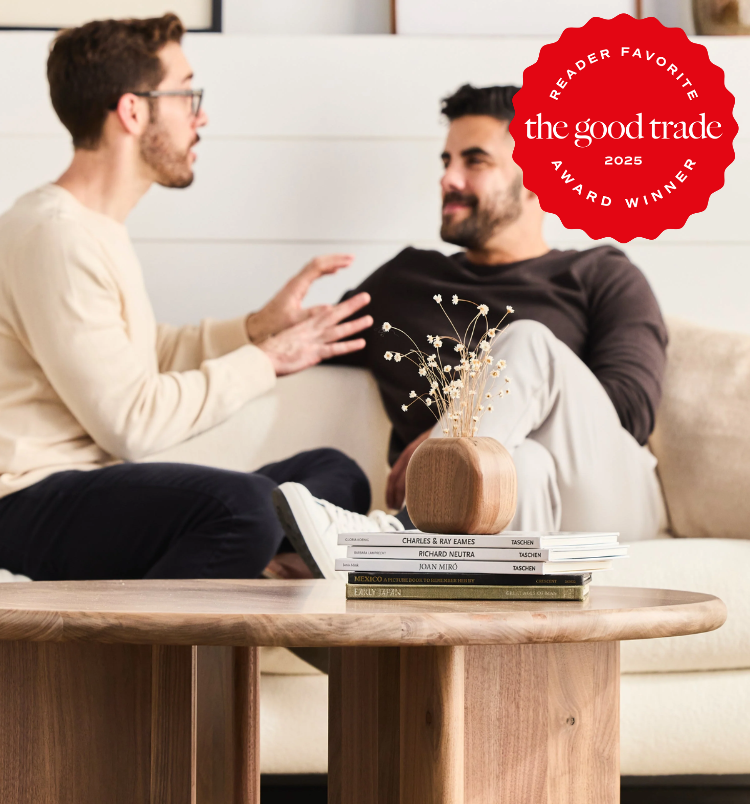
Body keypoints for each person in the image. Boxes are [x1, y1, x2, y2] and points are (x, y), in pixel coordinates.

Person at [0, 13, 403, 582]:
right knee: (245, 509)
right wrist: (267, 361)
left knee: (335, 476)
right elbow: (131, 424)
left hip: (83, 491)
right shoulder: (54, 234)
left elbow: (142, 354)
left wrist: (258, 327)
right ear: (133, 110)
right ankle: (162, 646)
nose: (201, 114)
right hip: (27, 502)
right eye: (187, 94)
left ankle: (258, 569)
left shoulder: (92, 228)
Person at [278, 82, 670, 577]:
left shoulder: (601, 274)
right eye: (446, 162)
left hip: (606, 496)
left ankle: (407, 534)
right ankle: (494, 637)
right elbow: (306, 347)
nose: (448, 178)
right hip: (504, 506)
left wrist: (451, 434)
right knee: (516, 468)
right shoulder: (405, 280)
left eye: (475, 160)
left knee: (527, 341)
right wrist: (263, 328)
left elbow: (630, 413)